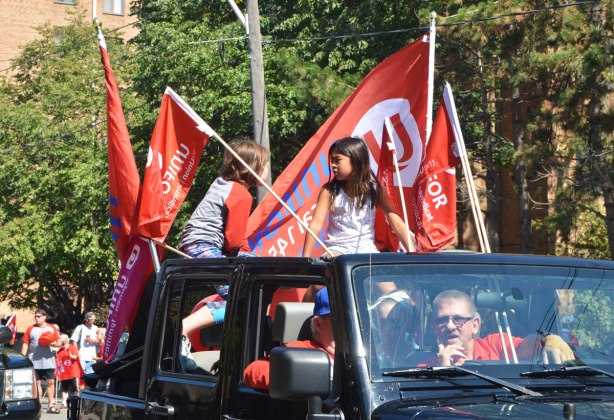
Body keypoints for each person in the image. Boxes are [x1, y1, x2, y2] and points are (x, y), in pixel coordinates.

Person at [178, 138, 269, 360]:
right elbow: (233, 241)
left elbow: (239, 241)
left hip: (194, 242)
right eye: (265, 165)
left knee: (252, 271)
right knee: (240, 297)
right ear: (253, 168)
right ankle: (181, 330)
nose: (267, 170)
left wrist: (252, 256)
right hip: (204, 246)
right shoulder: (241, 194)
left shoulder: (221, 184)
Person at [302, 136, 413, 258]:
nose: (333, 165)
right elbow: (316, 224)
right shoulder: (329, 191)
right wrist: (305, 258)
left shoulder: (375, 190)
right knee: (336, 265)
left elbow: (396, 223)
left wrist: (414, 255)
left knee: (385, 275)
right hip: (337, 251)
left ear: (356, 161)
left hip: (367, 251)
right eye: (332, 160)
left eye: (337, 160)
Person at [423, 290, 575, 367]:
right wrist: (441, 371)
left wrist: (549, 339)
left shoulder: (495, 344)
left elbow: (527, 346)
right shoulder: (424, 367)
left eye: (458, 319)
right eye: (442, 320)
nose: (450, 326)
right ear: (434, 327)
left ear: (475, 325)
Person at [243, 287, 335, 390]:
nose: (350, 327)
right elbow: (253, 370)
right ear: (318, 324)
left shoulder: (354, 352)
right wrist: (295, 377)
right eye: (340, 321)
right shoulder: (302, 351)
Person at [21, 308, 62, 414]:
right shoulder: (31, 328)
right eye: (35, 316)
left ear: (45, 317)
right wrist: (22, 357)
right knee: (37, 383)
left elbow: (59, 343)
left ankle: (50, 405)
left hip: (48, 360)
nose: (36, 318)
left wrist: (50, 343)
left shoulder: (52, 328)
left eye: (39, 316)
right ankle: (38, 406)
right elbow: (25, 343)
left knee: (51, 382)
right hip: (34, 360)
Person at [370, 290, 417, 368]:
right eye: (382, 322)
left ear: (407, 323)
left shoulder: (418, 357)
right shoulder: (370, 356)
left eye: (395, 323)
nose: (387, 329)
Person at [56, 334, 83, 409]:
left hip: (73, 372)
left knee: (75, 389)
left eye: (62, 338)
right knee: (64, 389)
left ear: (67, 340)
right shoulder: (60, 350)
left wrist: (71, 356)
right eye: (60, 338)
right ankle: (64, 403)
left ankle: (76, 404)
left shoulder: (72, 347)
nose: (60, 339)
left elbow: (76, 357)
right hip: (64, 373)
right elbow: (58, 360)